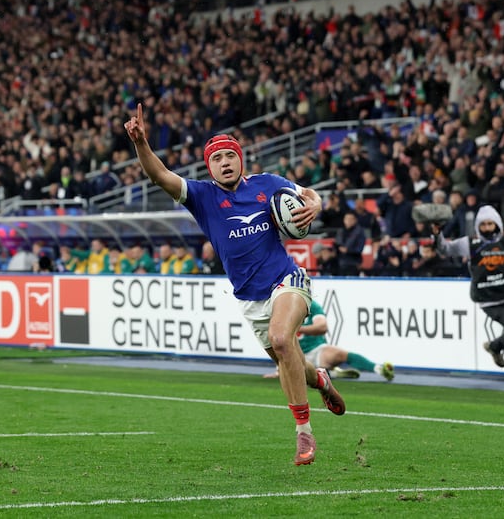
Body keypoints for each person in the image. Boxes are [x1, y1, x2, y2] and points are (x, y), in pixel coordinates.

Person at [125, 104, 344, 466]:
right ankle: (319, 380)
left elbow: (310, 194)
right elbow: (159, 175)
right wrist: (141, 144)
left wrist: (316, 205)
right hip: (250, 299)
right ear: (209, 167)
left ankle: (304, 433)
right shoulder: (202, 196)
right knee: (290, 357)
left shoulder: (268, 184)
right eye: (217, 159)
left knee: (280, 339)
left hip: (287, 280)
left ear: (241, 160)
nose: (225, 162)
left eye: (231, 155)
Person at [431, 205, 504, 382]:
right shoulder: (470, 243)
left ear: (497, 224)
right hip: (487, 298)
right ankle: (497, 349)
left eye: (490, 224)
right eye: (483, 225)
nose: (487, 228)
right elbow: (445, 249)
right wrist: (437, 234)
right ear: (478, 226)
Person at [263, 300, 395, 381]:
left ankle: (378, 368)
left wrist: (298, 328)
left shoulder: (312, 306)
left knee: (339, 353)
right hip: (293, 352)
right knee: (297, 372)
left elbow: (322, 326)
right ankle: (330, 372)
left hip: (315, 350)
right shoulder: (281, 307)